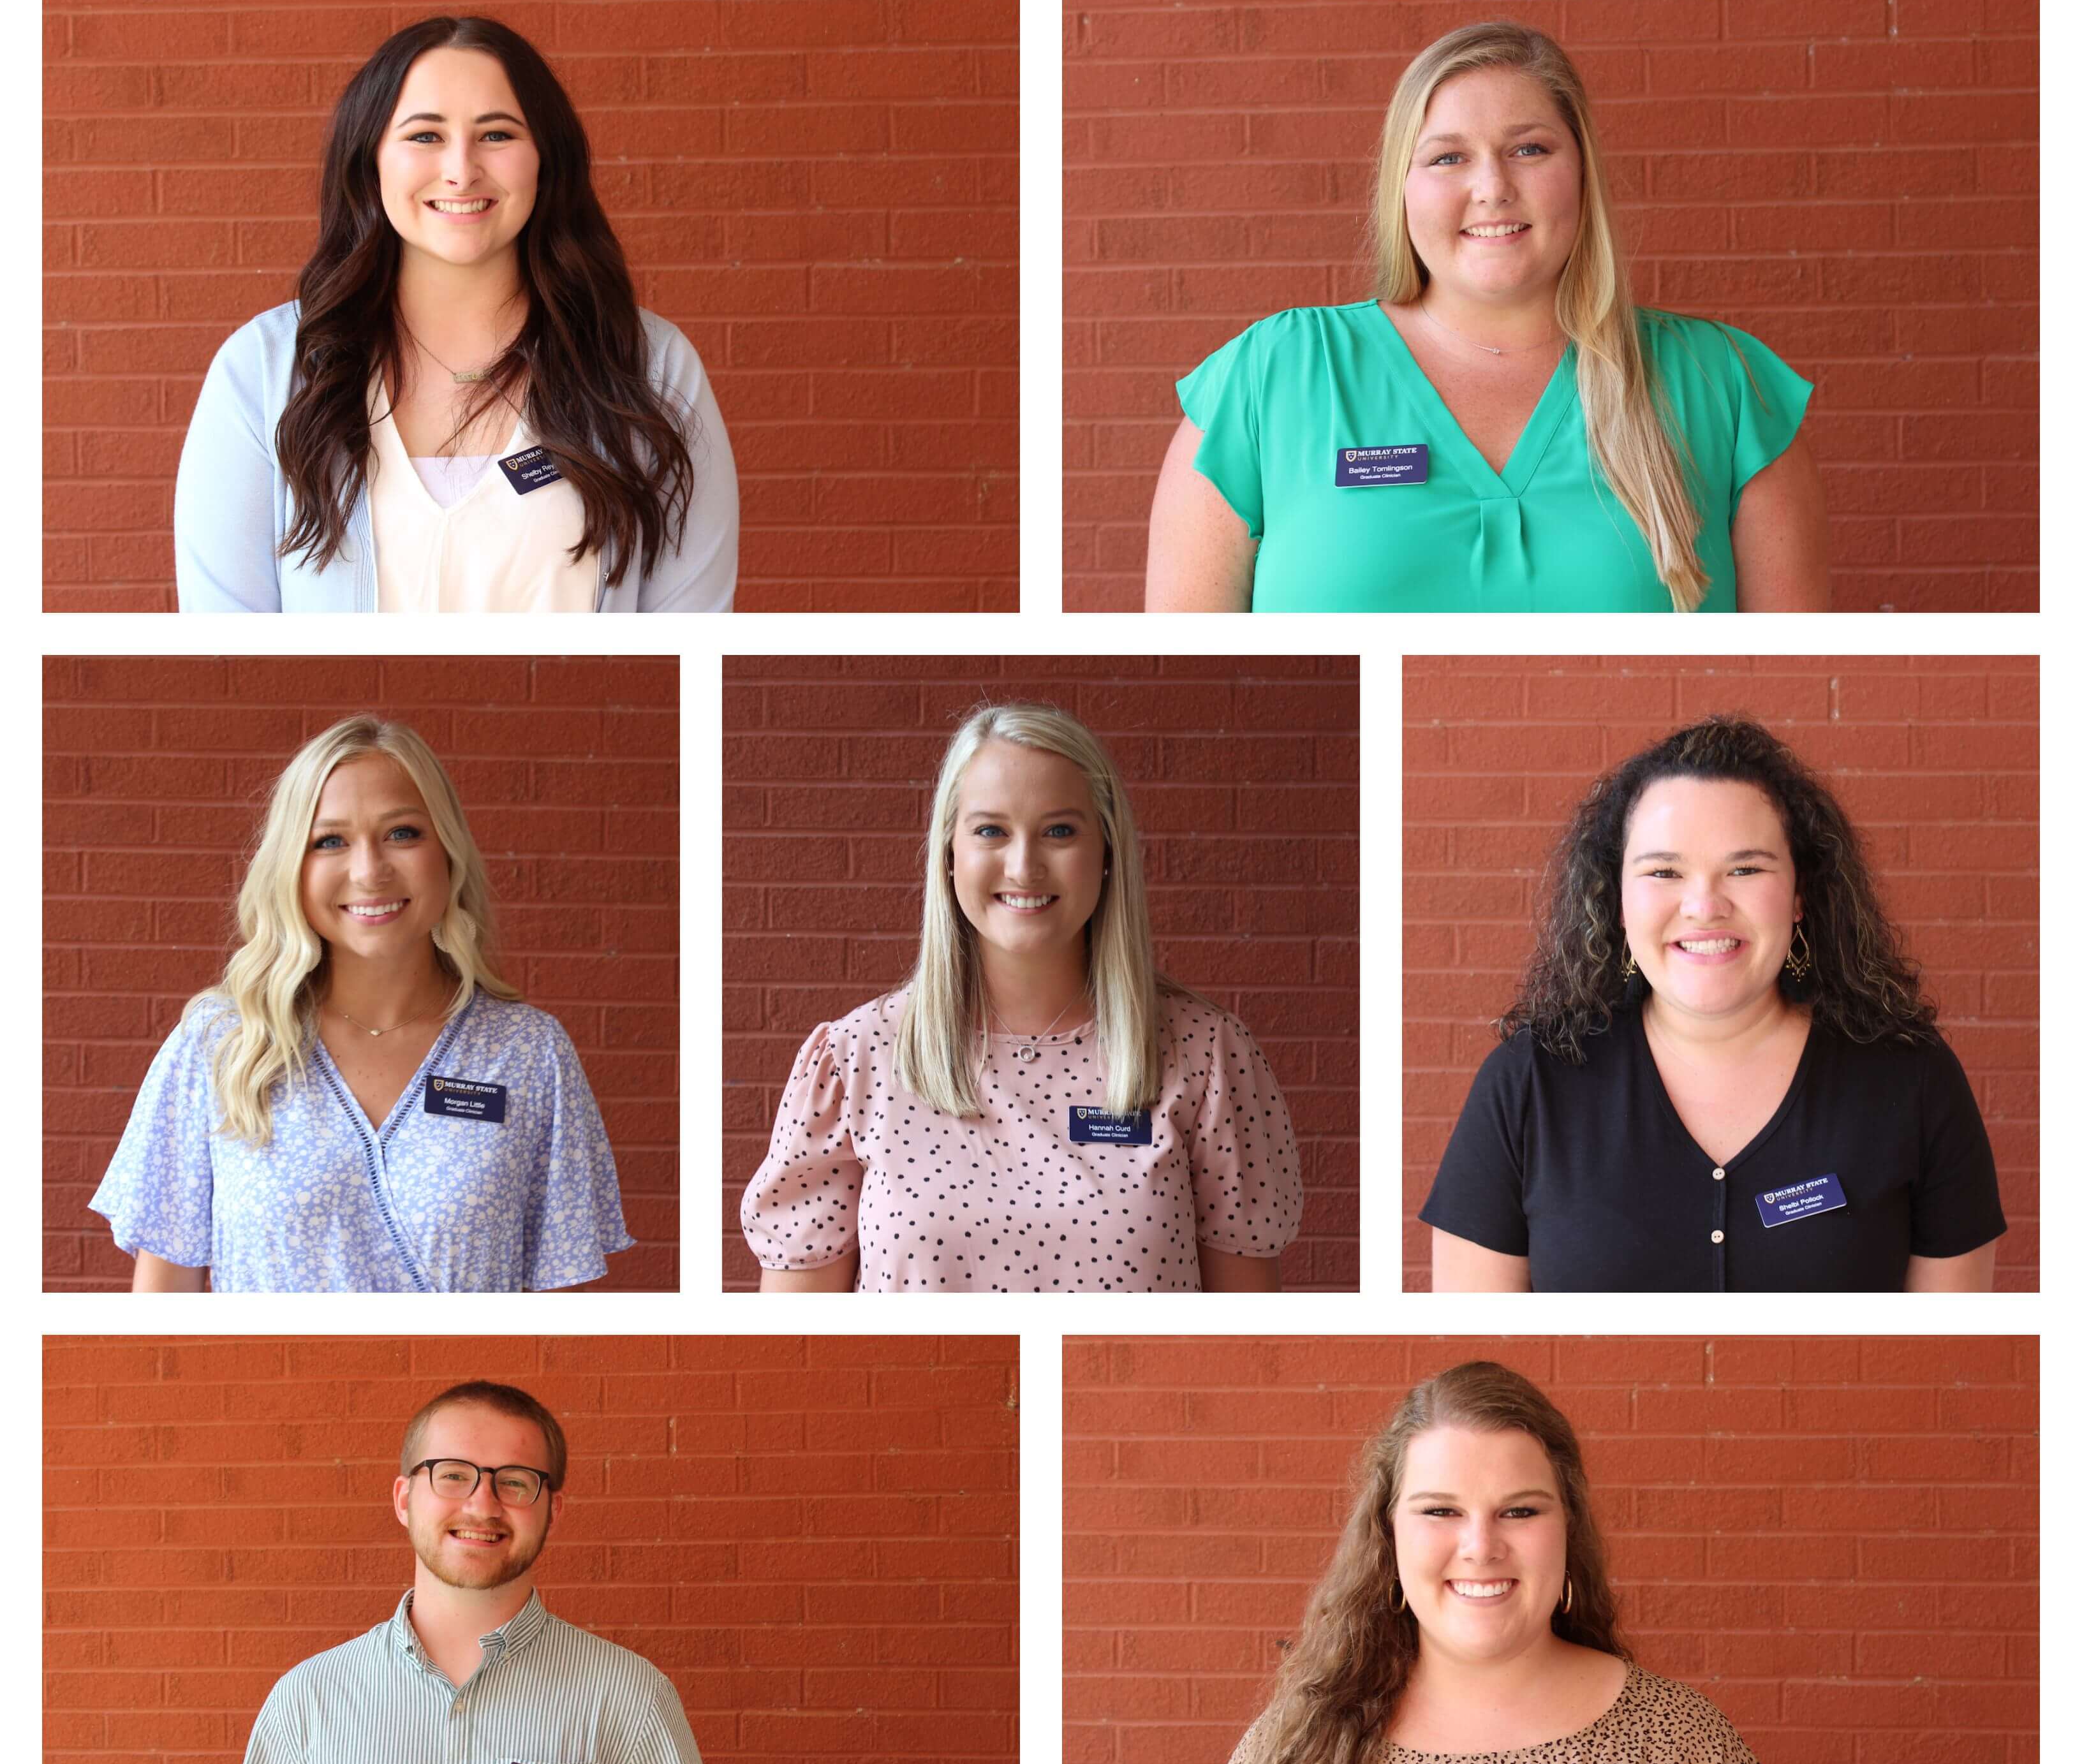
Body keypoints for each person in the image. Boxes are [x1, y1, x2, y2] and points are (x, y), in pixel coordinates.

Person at [1146, 21, 1828, 614]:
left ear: (1582, 172)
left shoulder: (1723, 387)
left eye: (1529, 148)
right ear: (1401, 189)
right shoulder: (1271, 378)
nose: (1493, 187)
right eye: (1448, 157)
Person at [1172, 1362, 1822, 1764]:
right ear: (1387, 1534)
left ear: (1568, 1528)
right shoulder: (1296, 1751)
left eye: (1520, 1510)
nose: (1481, 1546)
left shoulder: (1683, 1747)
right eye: (1440, 1511)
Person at [1421, 716, 2005, 1292]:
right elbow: (1482, 1343)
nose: (1704, 905)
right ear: (1618, 901)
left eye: (1745, 868)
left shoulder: (1914, 1080)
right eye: (1665, 871)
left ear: (1800, 894)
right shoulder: (1528, 1085)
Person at [174, 15, 737, 612]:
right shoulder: (264, 372)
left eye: (497, 135)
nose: (462, 170)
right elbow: (224, 624)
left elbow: (692, 630)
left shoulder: (650, 367)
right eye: (425, 137)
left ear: (547, 158)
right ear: (371, 162)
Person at [741, 700, 1303, 1291]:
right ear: (949, 852)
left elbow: (1237, 1323)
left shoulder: (1205, 1055)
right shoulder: (855, 1059)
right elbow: (804, 1334)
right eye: (991, 831)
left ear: (1107, 853)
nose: (1024, 865)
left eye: (1060, 831)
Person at [90, 714, 632, 1291]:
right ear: (290, 869)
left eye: (402, 833)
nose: (369, 870)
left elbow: (559, 1297)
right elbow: (165, 1292)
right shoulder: (223, 1043)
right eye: (330, 842)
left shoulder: (527, 1053)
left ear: (447, 853)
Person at [215, 1382, 728, 1764]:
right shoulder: (308, 1702)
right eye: (453, 1475)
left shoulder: (630, 1701)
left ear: (552, 1510)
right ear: (405, 1497)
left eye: (515, 1481)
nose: (483, 1506)